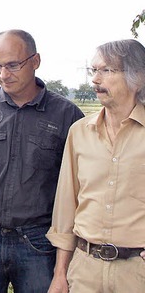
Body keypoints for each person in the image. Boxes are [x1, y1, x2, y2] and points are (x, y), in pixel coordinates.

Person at [0, 29, 85, 292]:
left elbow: (81, 189)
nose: (3, 74)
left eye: (12, 65)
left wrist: (65, 263)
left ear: (35, 61)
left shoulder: (67, 116)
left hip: (39, 243)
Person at [46, 39, 145, 292]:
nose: (95, 79)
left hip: (137, 274)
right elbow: (66, 207)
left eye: (107, 70)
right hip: (84, 271)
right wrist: (60, 274)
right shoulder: (79, 132)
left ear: (139, 77)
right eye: (94, 70)